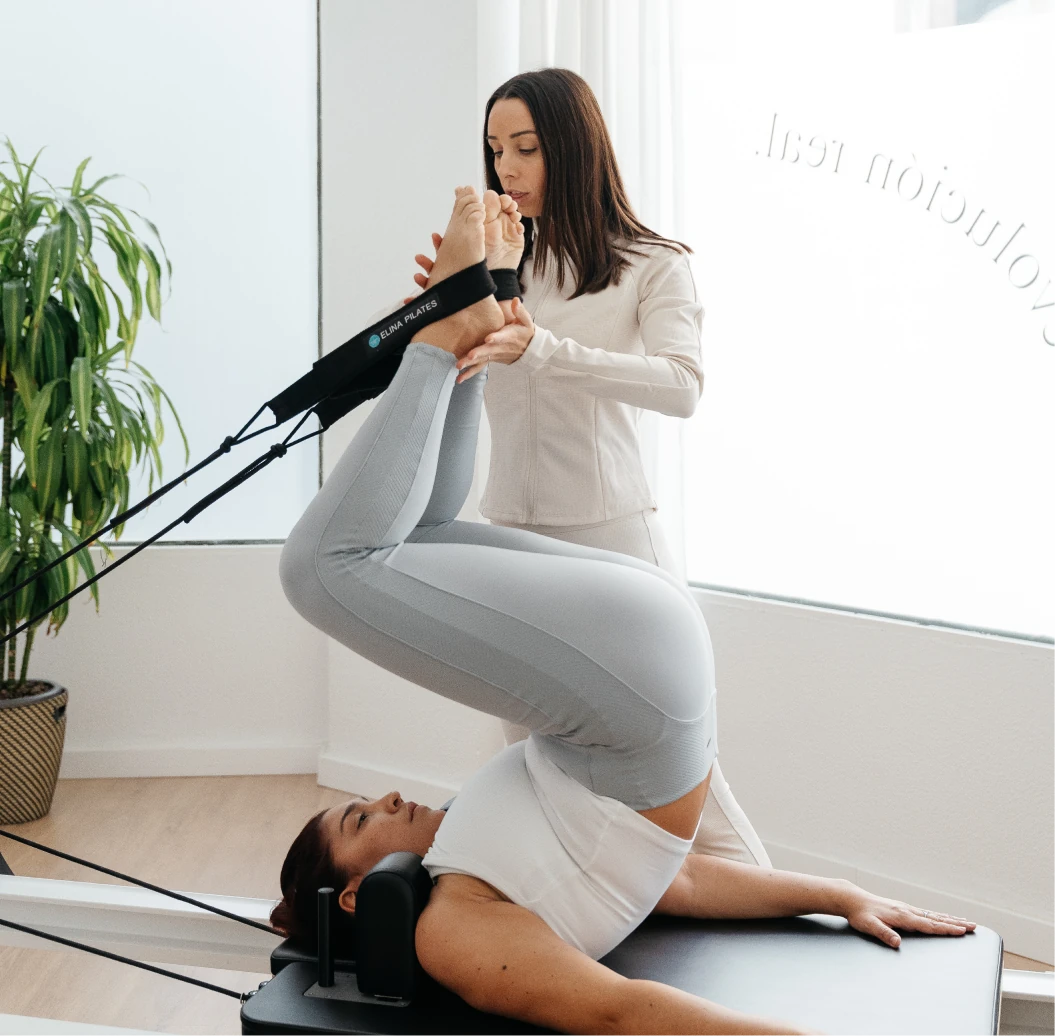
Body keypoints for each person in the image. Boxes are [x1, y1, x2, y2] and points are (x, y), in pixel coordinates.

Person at [276, 185, 976, 1036]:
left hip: (638, 666)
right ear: (355, 892)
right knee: (320, 570)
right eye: (359, 819)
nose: (382, 796)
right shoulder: (451, 931)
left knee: (415, 532)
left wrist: (837, 892)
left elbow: (671, 880)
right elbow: (616, 1010)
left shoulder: (480, 852)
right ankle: (444, 329)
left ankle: (480, 307)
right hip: (631, 690)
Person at [407, 68, 769, 868]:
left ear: (570, 147)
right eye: (495, 149)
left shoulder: (653, 264)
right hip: (511, 542)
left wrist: (545, 350)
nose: (506, 169)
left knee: (686, 783)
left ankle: (788, 942)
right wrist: (446, 305)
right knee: (538, 764)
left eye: (526, 148)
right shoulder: (504, 268)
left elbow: (682, 386)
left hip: (614, 544)